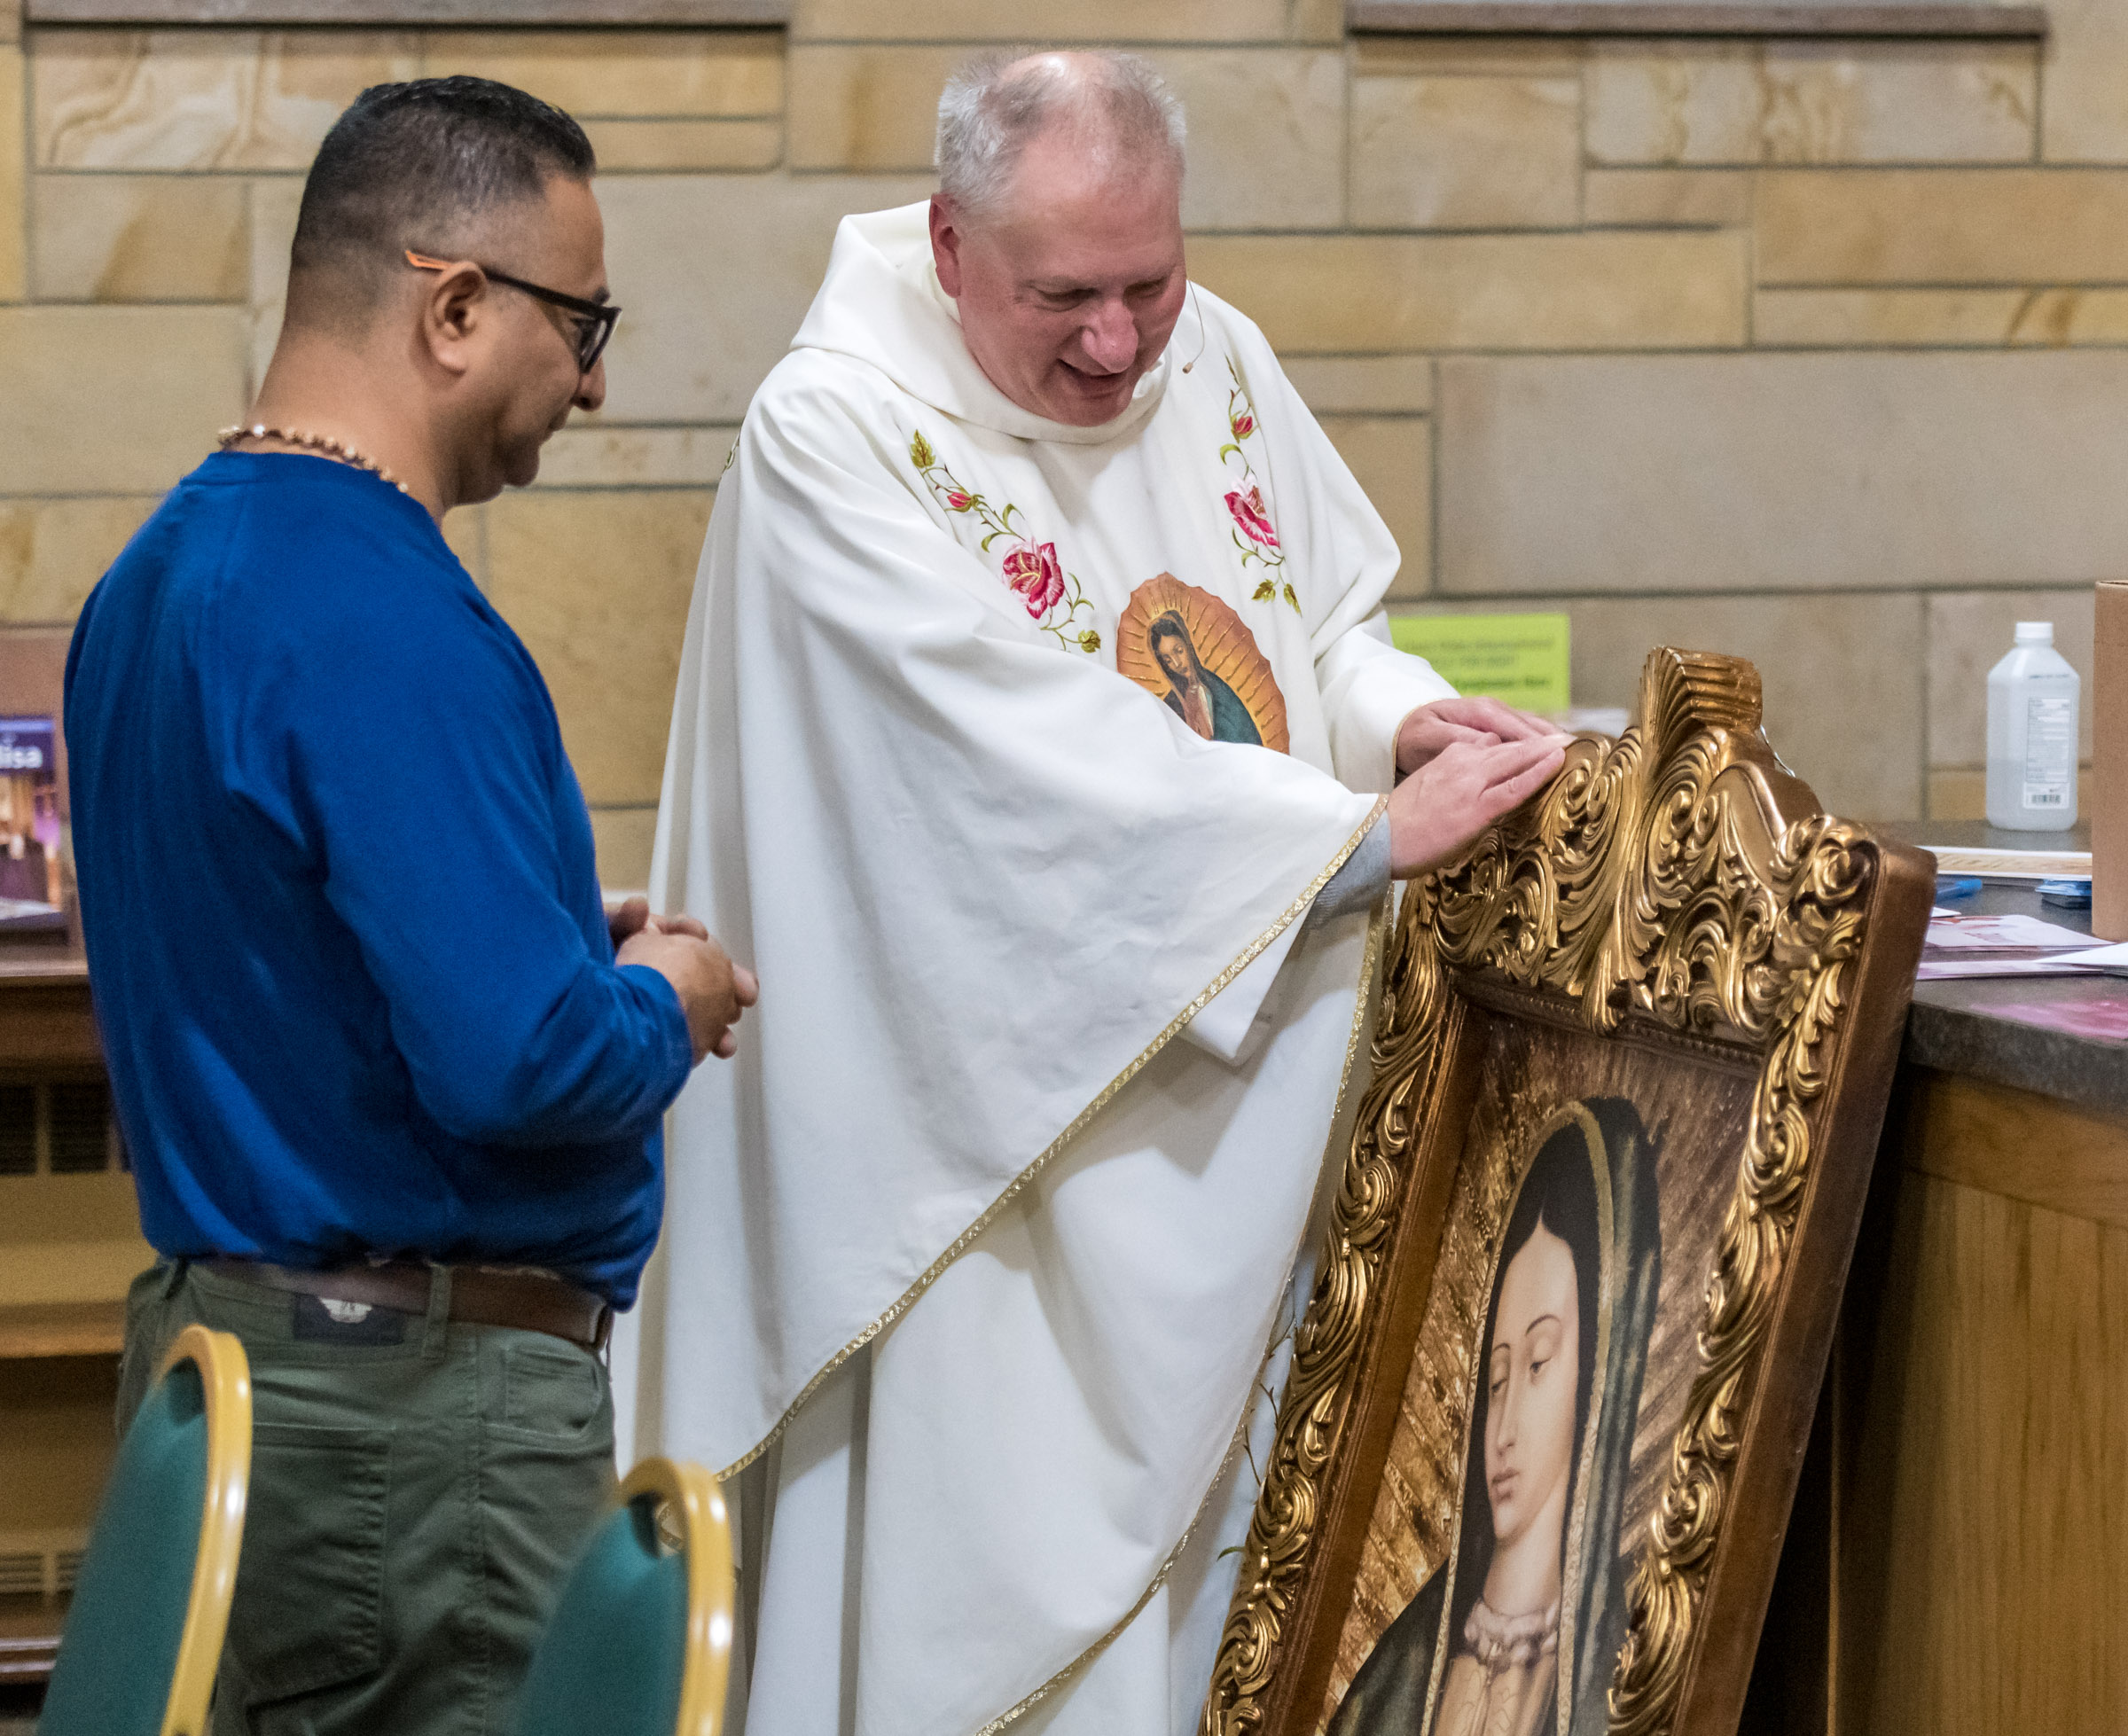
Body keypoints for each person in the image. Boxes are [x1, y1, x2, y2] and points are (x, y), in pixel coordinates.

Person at [619, 49, 1569, 1736]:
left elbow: (1317, 628)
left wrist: (1395, 712)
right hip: (980, 1183)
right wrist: (1349, 840)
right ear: (948, 243)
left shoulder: (1220, 358)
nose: (1120, 344)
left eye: (1152, 280)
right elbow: (999, 774)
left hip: (1238, 1129)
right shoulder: (831, 436)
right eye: (1066, 295)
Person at [64, 77, 753, 1736]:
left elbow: (281, 956)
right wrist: (668, 993)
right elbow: (522, 1068)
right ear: (454, 303)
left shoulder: (160, 572)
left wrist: (552, 944)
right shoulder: (387, 612)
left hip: (244, 1367)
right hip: (408, 1437)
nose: (593, 380)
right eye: (580, 321)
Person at [1330, 1099, 1662, 1736]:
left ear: (1595, 1376)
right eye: (1496, 1379)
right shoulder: (1408, 1666)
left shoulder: (1616, 1679)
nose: (1503, 1428)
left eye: (1538, 1365)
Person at [1150, 609, 1260, 745]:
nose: (1177, 663)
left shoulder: (1219, 692)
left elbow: (1245, 737)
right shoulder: (1172, 704)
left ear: (1187, 645)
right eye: (1168, 660)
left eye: (1179, 651)